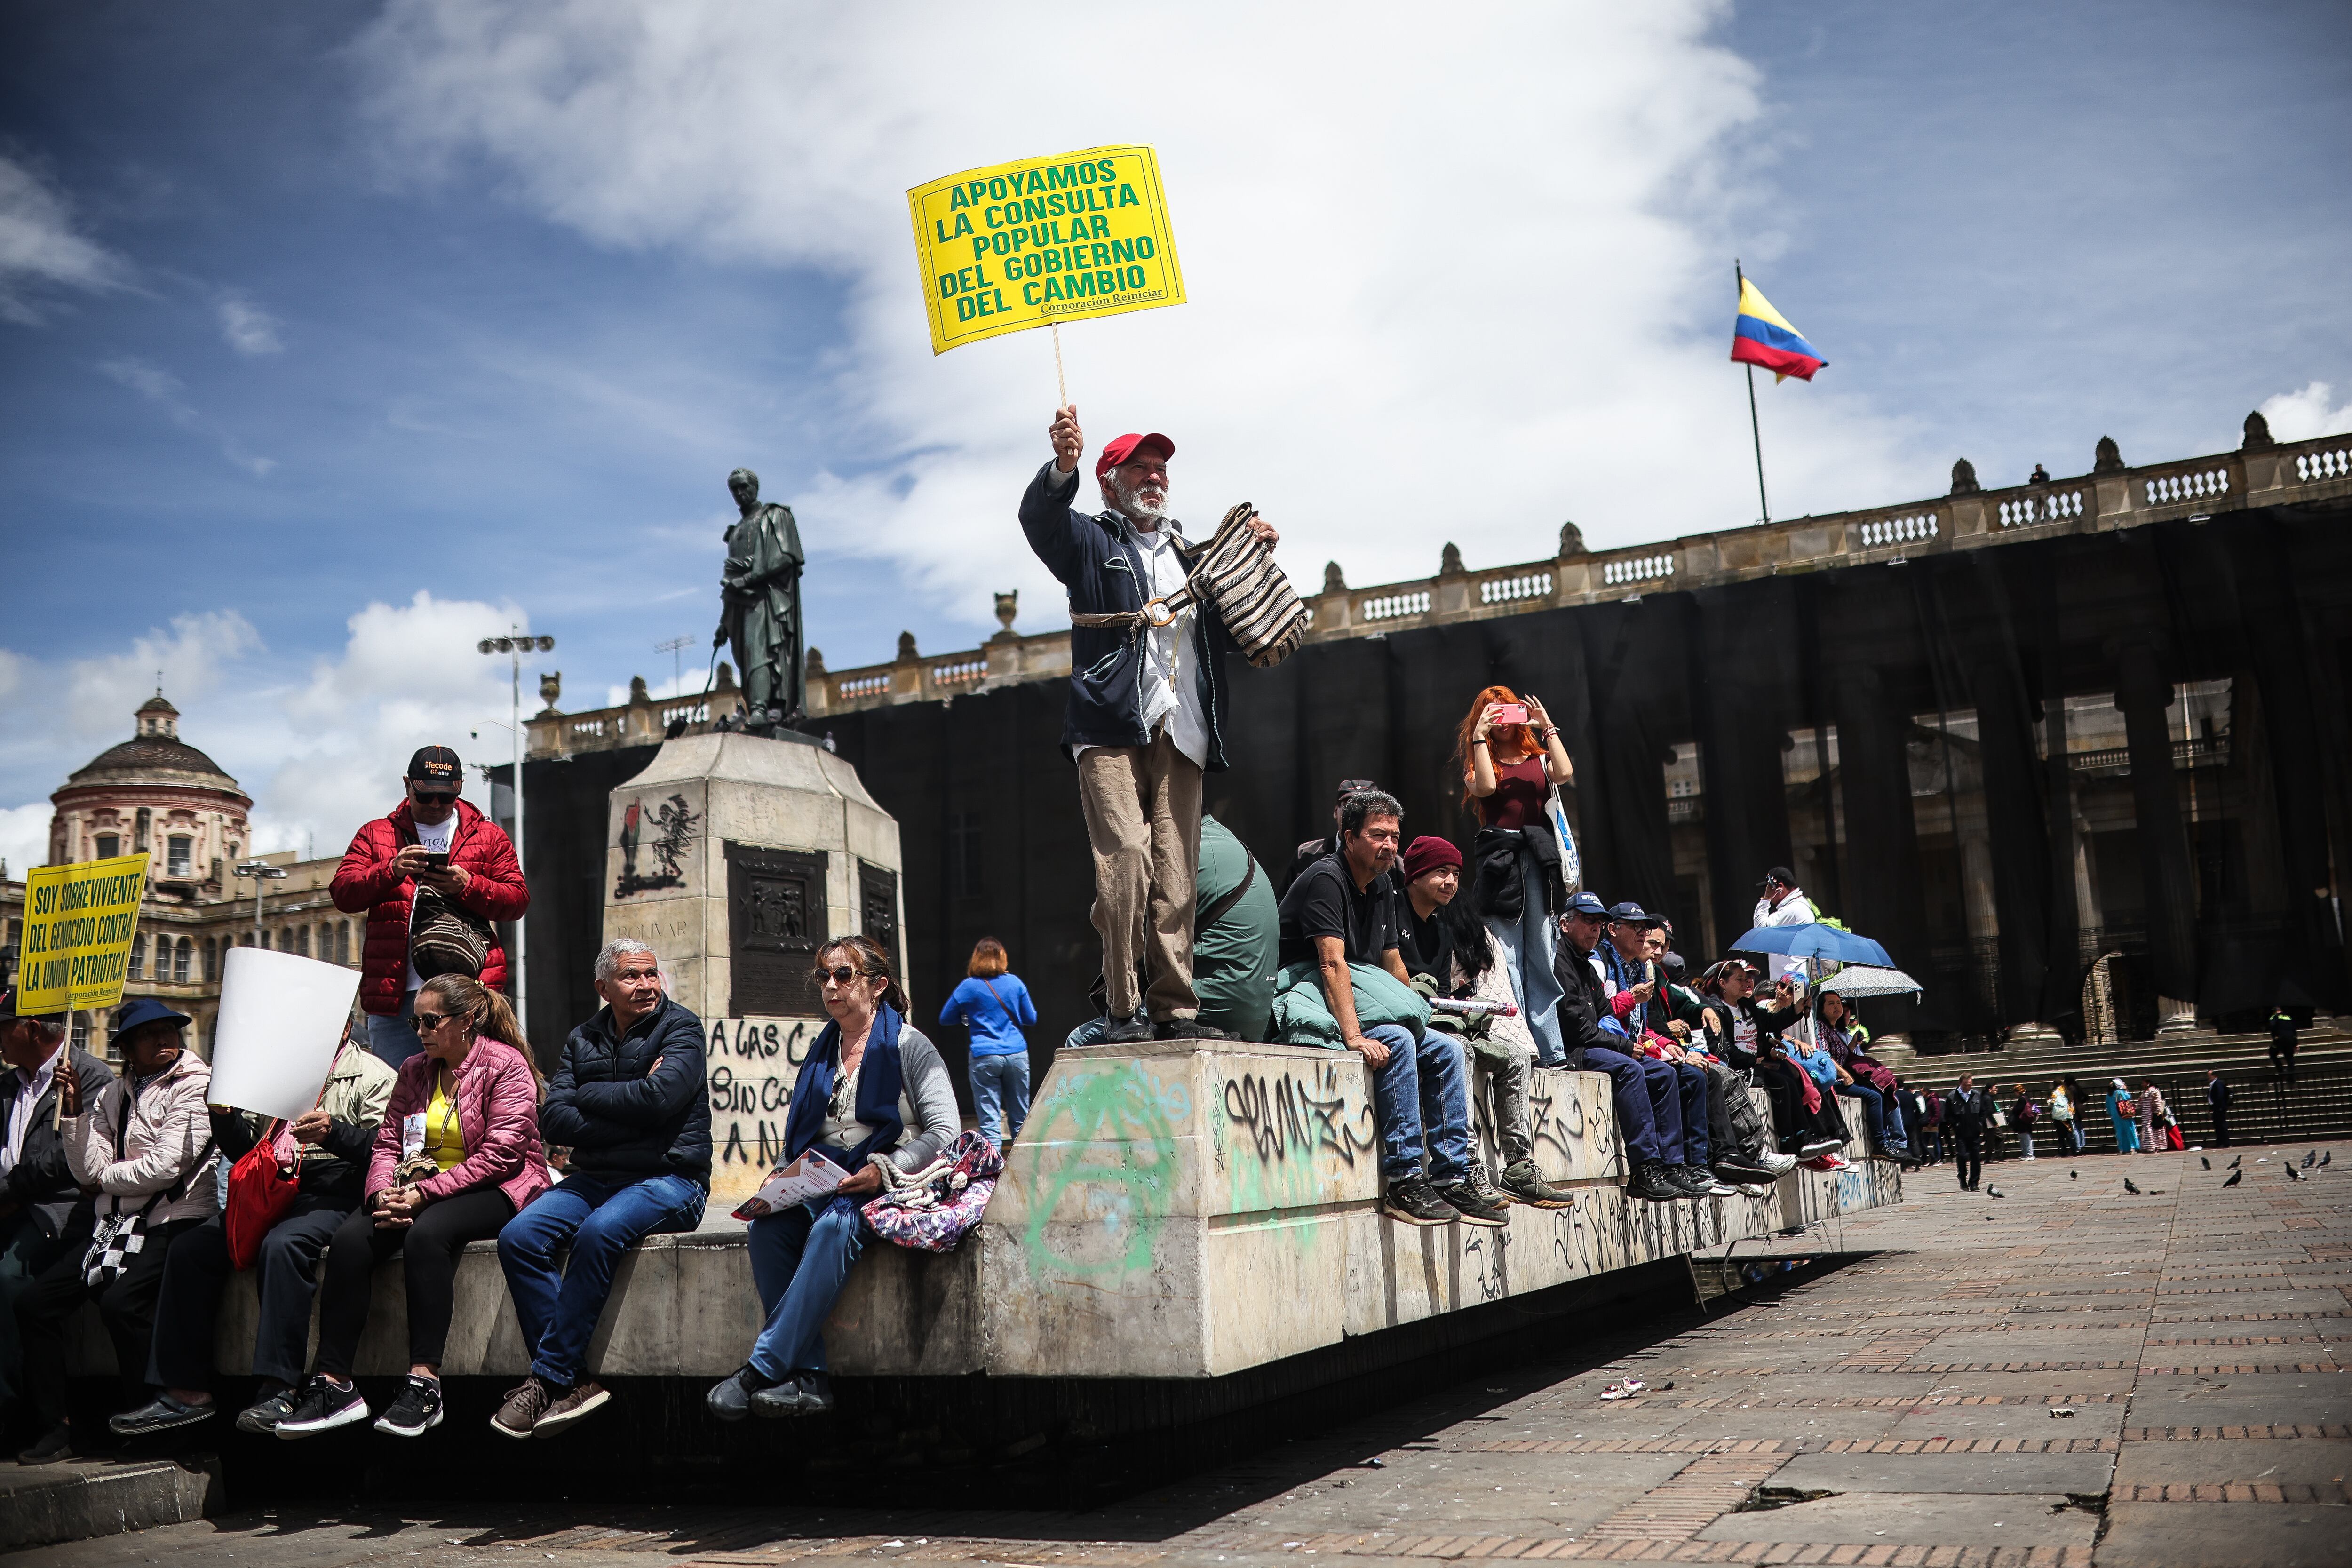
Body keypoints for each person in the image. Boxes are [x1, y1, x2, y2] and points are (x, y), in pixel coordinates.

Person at [1020, 409, 1279, 1045]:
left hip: (1182, 726)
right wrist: (1062, 468)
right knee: (1126, 860)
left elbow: (1226, 630)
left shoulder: (1192, 556)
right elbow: (1039, 521)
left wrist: (1253, 554)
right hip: (1109, 723)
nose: (1155, 475)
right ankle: (1122, 1006)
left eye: (1161, 467)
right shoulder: (1090, 541)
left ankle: (1175, 1007)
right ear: (1109, 482)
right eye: (1140, 466)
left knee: (1178, 873)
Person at [276, 974, 550, 1440]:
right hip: (416, 1188)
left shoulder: (505, 1066)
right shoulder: (413, 1070)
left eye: (430, 1021)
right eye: (415, 1021)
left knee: (427, 1237)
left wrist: (425, 1194)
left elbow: (502, 1155)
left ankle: (424, 1384)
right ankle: (333, 1383)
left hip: (498, 1187)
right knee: (350, 1240)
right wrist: (382, 1193)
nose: (420, 1030)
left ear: (467, 1022)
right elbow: (386, 1145)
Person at [705, 935, 959, 1419]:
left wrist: (884, 1168)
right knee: (767, 1232)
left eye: (845, 975)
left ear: (878, 985)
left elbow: (945, 1131)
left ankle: (761, 1369)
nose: (831, 986)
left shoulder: (909, 1045)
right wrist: (779, 1176)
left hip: (886, 1180)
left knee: (832, 1228)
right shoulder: (821, 1050)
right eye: (824, 976)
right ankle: (811, 1379)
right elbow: (802, 1134)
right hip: (822, 1177)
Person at [111, 1025, 395, 1438]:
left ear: (345, 1026)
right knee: (192, 1247)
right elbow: (247, 1149)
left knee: (284, 1245)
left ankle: (279, 1386)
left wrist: (334, 1133)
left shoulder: (374, 1075)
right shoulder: (280, 1074)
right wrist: (224, 1118)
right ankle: (185, 1392)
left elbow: (386, 1149)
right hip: (272, 1186)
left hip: (335, 1190)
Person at [493, 939, 709, 1440]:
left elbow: (662, 1100)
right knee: (518, 1238)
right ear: (603, 988)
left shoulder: (682, 1027)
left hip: (669, 1178)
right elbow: (555, 1118)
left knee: (597, 1233)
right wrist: (629, 1112)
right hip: (593, 1178)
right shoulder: (582, 1038)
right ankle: (575, 1380)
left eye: (652, 974)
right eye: (632, 977)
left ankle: (548, 1377)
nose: (647, 985)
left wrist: (590, 1098)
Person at [1277, 793, 1505, 1228]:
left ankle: (1453, 1175)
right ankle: (1404, 1180)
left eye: (1395, 836)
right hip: (1305, 987)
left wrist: (1418, 1016)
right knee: (1396, 1040)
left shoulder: (1383, 885)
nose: (1388, 845)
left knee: (1447, 1048)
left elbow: (1392, 964)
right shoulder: (1326, 878)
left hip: (1360, 987)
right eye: (1377, 835)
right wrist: (1355, 1037)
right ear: (1348, 837)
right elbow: (1331, 963)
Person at [12, 999, 215, 1463]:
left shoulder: (195, 1085)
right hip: (114, 1225)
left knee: (121, 1303)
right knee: (34, 1304)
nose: (164, 1039)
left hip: (173, 1219)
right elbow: (83, 1166)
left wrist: (103, 1180)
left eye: (170, 1030)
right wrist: (74, 1113)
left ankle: (158, 1419)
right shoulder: (111, 1094)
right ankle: (58, 1426)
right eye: (150, 1034)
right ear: (125, 1047)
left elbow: (165, 1167)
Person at [1396, 835, 1573, 1209]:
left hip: (1445, 1022)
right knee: (1456, 1050)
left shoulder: (1444, 925)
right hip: (1413, 1025)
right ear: (1414, 875)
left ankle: (1520, 1167)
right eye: (1441, 871)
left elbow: (1443, 991)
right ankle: (1467, 1167)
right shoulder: (1393, 913)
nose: (1450, 881)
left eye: (1456, 874)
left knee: (1515, 1057)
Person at [332, 745, 530, 1068]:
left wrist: (468, 885)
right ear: (408, 785)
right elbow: (342, 893)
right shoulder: (376, 833)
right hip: (396, 997)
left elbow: (517, 900)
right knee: (395, 1099)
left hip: (467, 993)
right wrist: (391, 870)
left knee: (469, 1096)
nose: (437, 805)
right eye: (426, 796)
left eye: (446, 796)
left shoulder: (488, 835)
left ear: (460, 787)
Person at [0, 987, 114, 1444]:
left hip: (58, 1211)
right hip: (12, 1201)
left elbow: (68, 1159)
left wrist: (8, 1193)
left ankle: (13, 1413)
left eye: (3, 1029)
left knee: (8, 1279)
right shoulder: (8, 1084)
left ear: (30, 1029)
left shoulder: (89, 1075)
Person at [1552, 894, 1721, 1202]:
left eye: (1599, 923)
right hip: (1574, 1049)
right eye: (1588, 921)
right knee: (1631, 1069)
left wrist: (1645, 1044)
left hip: (1598, 1042)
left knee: (1663, 1072)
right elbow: (1578, 1027)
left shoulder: (1586, 964)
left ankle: (1671, 1166)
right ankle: (1644, 1169)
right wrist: (1628, 1045)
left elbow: (1605, 1014)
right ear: (1565, 924)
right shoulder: (1566, 960)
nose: (1595, 929)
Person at [1063, 814, 1280, 1050]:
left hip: (1208, 1013)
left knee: (1080, 1040)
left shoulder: (1177, 856)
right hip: (1256, 1018)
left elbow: (1132, 937)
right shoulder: (1228, 842)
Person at [1461, 687, 1574, 1067]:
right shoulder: (1479, 764)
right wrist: (1480, 734)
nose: (1502, 720)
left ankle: (1551, 1049)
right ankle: (1518, 1045)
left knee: (1542, 955)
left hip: (1539, 859)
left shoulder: (1537, 758)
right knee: (1505, 959)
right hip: (1501, 863)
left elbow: (1566, 771)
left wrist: (1547, 727)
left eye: (1506, 710)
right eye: (1492, 712)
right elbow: (1488, 788)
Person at [1696, 961, 1847, 1166]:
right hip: (1738, 1066)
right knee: (1781, 1083)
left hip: (1757, 1062)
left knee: (1793, 1077)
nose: (1746, 983)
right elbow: (1722, 1048)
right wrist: (1752, 1060)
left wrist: (1797, 1009)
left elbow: (1771, 1022)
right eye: (1739, 979)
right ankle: (1789, 1142)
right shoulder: (1716, 1009)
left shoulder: (1746, 1005)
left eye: (1747, 978)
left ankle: (1806, 1138)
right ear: (1723, 983)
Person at [940, 939, 1038, 1148]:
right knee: (1021, 1121)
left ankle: (993, 1177)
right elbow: (1031, 1018)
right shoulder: (1015, 983)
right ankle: (1026, 1173)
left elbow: (945, 1017)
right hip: (1016, 1054)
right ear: (1003, 958)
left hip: (984, 1056)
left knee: (990, 1123)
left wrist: (969, 1016)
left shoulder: (969, 987)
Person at [1285, 779, 1382, 896]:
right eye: (1350, 807)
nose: (1357, 814)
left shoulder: (1390, 861)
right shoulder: (1307, 854)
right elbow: (1284, 904)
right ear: (1336, 811)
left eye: (1366, 808)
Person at [1749, 867, 1820, 993]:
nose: (1766, 892)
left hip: (1791, 983)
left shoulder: (1793, 909)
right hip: (1794, 980)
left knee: (1796, 1012)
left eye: (1768, 889)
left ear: (1780, 887)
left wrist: (1766, 900)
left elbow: (1760, 932)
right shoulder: (1799, 906)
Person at [1943, 1073, 1990, 1193]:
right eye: (1966, 1085)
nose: (1968, 1087)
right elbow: (1948, 1115)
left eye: (1970, 1085)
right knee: (1963, 1156)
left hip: (1975, 1132)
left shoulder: (1977, 1095)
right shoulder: (1952, 1097)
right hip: (1961, 1133)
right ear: (1961, 1083)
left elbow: (1983, 1112)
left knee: (1976, 1157)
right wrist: (1956, 1125)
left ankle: (1974, 1182)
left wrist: (1980, 1124)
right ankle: (1962, 1177)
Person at [2106, 1078, 2140, 1154]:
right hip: (2124, 1113)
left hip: (2115, 1116)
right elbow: (2128, 1097)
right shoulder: (2120, 1092)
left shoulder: (2109, 1095)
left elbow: (2108, 1107)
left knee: (2120, 1132)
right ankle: (2133, 1147)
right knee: (2130, 1130)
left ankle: (2122, 1148)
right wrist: (2126, 1090)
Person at [2268, 1005, 2298, 1085]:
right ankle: (2291, 1078)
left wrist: (2275, 1038)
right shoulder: (2288, 1017)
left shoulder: (2274, 1017)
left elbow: (2273, 1027)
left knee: (2272, 1053)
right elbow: (2294, 1030)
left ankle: (2280, 1069)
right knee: (2290, 1059)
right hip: (2290, 1040)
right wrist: (2296, 1043)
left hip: (2280, 1040)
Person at [2139, 1079, 2169, 1154]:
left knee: (2152, 1131)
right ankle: (2152, 1147)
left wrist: (2156, 1112)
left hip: (2151, 1114)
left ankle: (2153, 1147)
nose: (2142, 1085)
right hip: (2148, 1114)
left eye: (2143, 1083)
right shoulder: (2147, 1091)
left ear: (2148, 1084)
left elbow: (2156, 1103)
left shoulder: (2152, 1091)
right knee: (2151, 1131)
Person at [2010, 1084, 2040, 1161]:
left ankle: (2029, 1154)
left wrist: (2013, 1109)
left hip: (2023, 1122)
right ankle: (2027, 1154)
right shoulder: (2026, 1098)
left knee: (2026, 1138)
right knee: (2024, 1138)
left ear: (2018, 1092)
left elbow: (2018, 1110)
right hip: (2025, 1122)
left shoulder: (2022, 1099)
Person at [2207, 1068, 2233, 1148]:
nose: (2209, 1077)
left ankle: (2225, 1143)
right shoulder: (2213, 1084)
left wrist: (2218, 1107)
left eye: (2210, 1075)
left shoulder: (2218, 1083)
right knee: (2218, 1126)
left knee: (2221, 1126)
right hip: (2216, 1108)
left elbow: (2220, 1096)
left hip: (2219, 1108)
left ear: (2214, 1076)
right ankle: (2220, 1142)